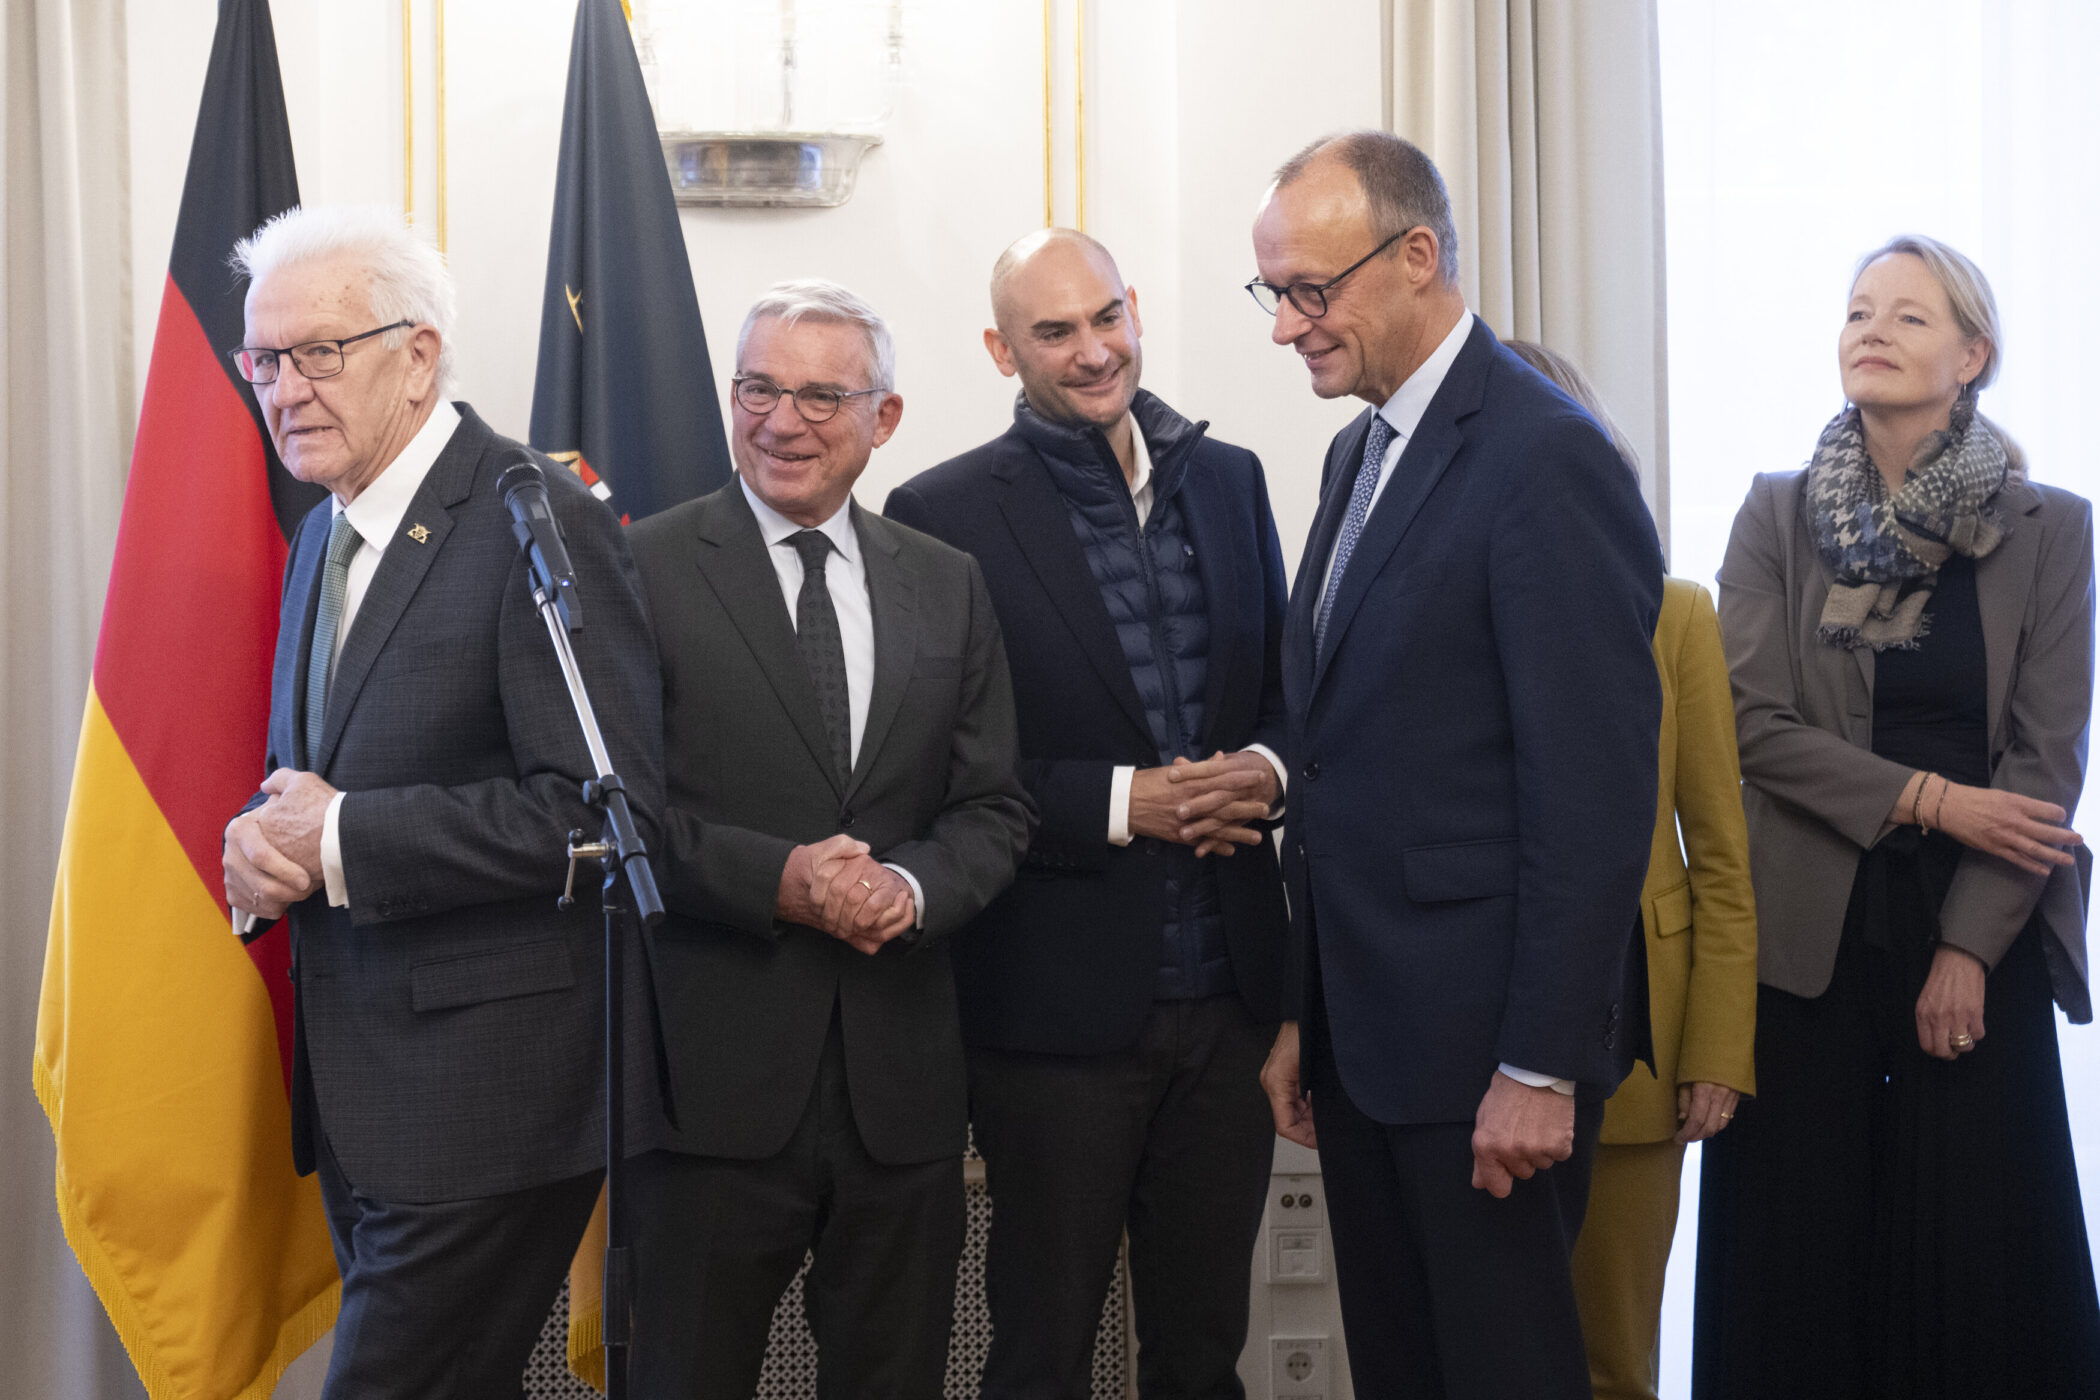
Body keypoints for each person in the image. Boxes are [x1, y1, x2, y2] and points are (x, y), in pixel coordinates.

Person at [218, 204, 664, 1396]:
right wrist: (263, 848)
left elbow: (602, 812)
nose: (283, 387)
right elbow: (320, 779)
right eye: (263, 358)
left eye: (319, 351)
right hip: (364, 1096)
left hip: (489, 1098)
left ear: (418, 354)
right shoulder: (324, 530)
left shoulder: (532, 511)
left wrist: (345, 836)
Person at [1248, 130, 1663, 1399]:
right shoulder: (1358, 451)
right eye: (1273, 295)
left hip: (1490, 1058)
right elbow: (1340, 758)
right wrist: (1301, 1012)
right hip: (1370, 1045)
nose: (1288, 329)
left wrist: (1541, 1064)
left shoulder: (1547, 456)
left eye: (1311, 292)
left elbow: (1591, 797)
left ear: (1417, 255)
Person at [884, 228, 1292, 1400]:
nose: (1091, 348)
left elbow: (1289, 697)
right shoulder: (941, 509)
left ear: (1137, 310)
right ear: (1000, 347)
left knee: (1204, 1351)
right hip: (1050, 1016)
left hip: (1230, 1002)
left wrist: (1265, 766)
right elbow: (934, 768)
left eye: (1105, 316)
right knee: (1041, 1350)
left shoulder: (1234, 479)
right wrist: (1128, 801)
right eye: (1053, 330)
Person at [1696, 235, 2100, 1398]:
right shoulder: (1775, 516)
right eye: (1860, 310)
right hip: (1805, 942)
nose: (1872, 329)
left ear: (1973, 356)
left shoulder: (2051, 529)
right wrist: (1930, 798)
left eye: (1910, 318)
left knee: (1979, 1274)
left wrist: (1969, 946)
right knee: (1797, 1276)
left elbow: (2042, 764)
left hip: (1984, 927)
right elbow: (1751, 724)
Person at [622, 279, 1032, 1399]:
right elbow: (615, 814)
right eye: (757, 386)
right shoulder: (642, 569)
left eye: (818, 394)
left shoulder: (945, 583)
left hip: (899, 1095)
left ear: (882, 418)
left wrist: (904, 884)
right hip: (705, 1097)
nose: (780, 419)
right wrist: (786, 881)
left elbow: (994, 806)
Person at [1506, 342, 1758, 1400]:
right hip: (1468, 1044)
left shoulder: (1677, 612)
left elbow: (1720, 859)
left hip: (1642, 1056)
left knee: (1612, 1363)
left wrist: (1715, 1049)